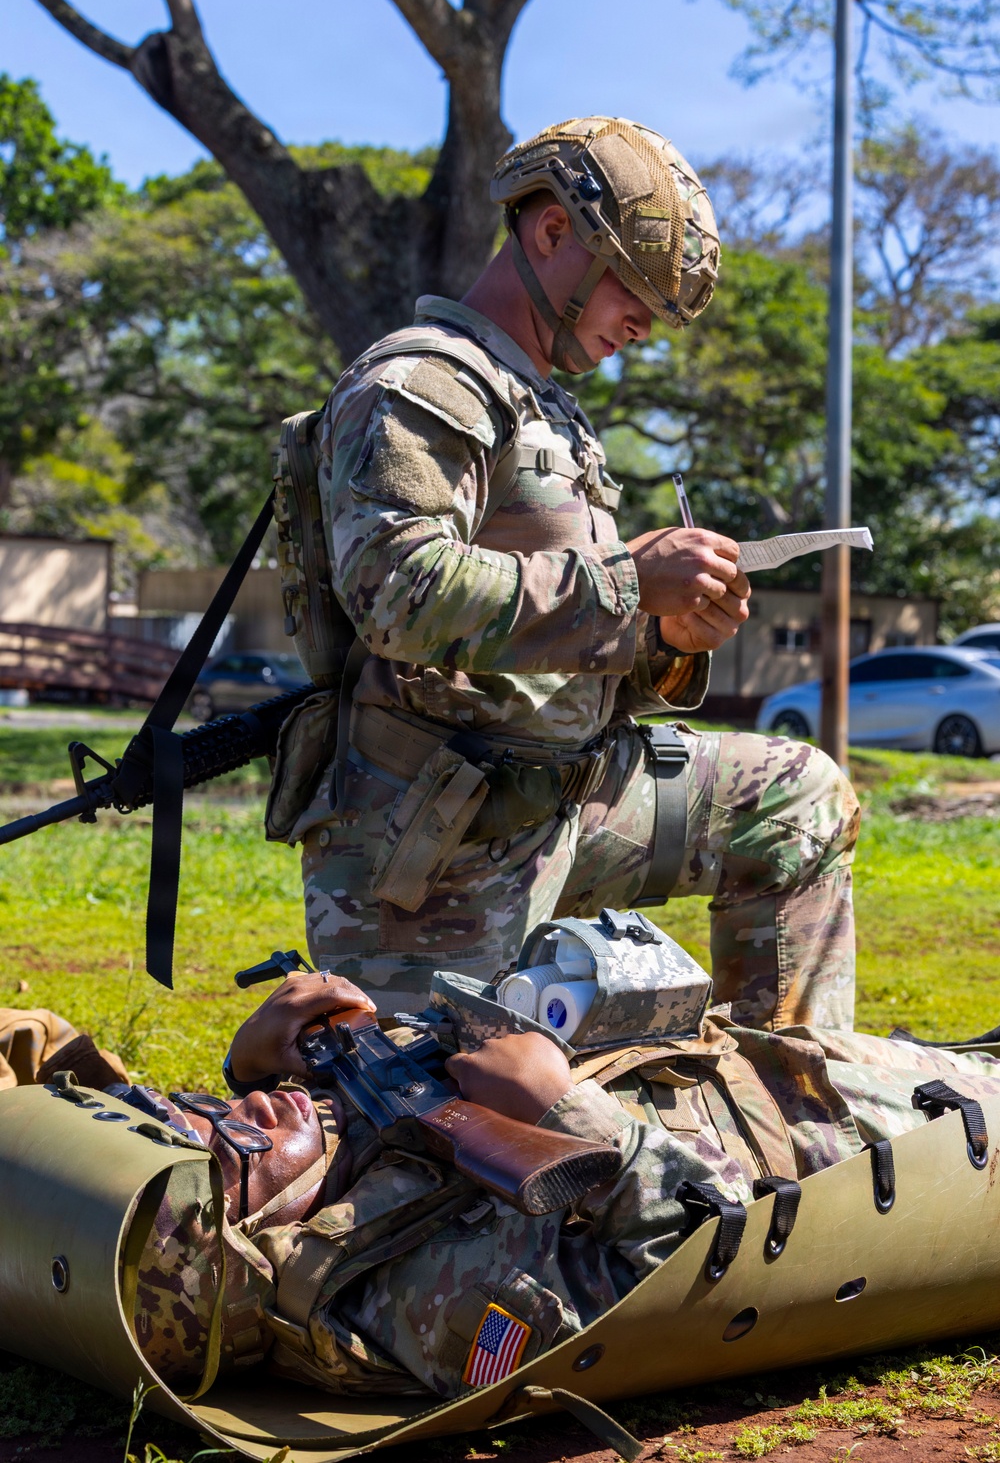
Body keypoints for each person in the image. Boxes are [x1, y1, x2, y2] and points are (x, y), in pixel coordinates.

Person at [279, 115, 859, 1024]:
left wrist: (665, 633)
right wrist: (632, 585)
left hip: (573, 799)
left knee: (795, 800)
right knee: (442, 1139)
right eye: (633, 292)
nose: (643, 327)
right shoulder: (423, 384)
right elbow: (397, 592)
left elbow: (562, 637)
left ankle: (787, 1103)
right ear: (553, 232)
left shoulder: (547, 410)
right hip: (439, 843)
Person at [6, 962, 1000, 1404]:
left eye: (205, 1112)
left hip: (782, 1072)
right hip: (872, 1152)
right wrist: (564, 1109)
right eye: (230, 1151)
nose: (244, 1118)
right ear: (241, 1242)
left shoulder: (301, 1166)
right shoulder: (418, 1299)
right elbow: (699, 1266)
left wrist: (268, 1064)